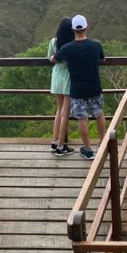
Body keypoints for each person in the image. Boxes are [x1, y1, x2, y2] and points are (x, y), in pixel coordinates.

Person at [51, 14, 106, 160]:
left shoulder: (68, 48)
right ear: (86, 26)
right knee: (99, 114)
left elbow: (54, 59)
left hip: (77, 90)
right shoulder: (96, 45)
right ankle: (103, 144)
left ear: (73, 29)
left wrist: (51, 57)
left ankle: (88, 150)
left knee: (82, 118)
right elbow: (102, 58)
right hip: (95, 87)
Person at [47, 17, 75, 156]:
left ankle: (54, 140)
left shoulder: (53, 41)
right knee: (66, 111)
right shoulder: (73, 43)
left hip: (56, 74)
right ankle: (61, 145)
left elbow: (50, 58)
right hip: (68, 76)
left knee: (59, 110)